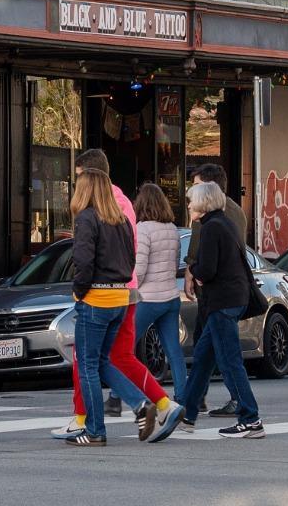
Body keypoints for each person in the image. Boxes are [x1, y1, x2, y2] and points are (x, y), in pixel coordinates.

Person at [55, 150, 176, 437]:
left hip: (97, 297)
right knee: (107, 360)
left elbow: (83, 261)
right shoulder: (122, 214)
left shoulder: (87, 217)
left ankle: (91, 426)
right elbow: (132, 258)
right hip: (122, 294)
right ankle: (143, 403)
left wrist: (79, 291)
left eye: (78, 178)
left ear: (87, 180)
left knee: (86, 364)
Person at [177, 180, 264, 438]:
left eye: (192, 200)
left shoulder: (211, 228)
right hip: (231, 298)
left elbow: (208, 270)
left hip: (222, 302)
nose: (190, 204)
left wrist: (193, 270)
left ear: (203, 203)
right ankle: (187, 415)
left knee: (229, 361)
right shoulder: (224, 223)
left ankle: (251, 418)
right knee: (203, 358)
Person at [184, 163, 247, 418]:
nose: (190, 198)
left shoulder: (211, 221)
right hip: (227, 293)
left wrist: (193, 271)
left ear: (209, 190)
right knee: (204, 352)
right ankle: (188, 407)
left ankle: (248, 412)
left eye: (197, 187)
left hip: (219, 295)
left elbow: (204, 261)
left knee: (225, 356)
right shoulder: (234, 213)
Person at [134, 182, 187, 401]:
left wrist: (129, 288)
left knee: (123, 350)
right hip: (171, 297)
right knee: (174, 351)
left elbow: (139, 269)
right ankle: (183, 397)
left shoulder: (142, 229)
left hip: (147, 299)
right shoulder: (172, 229)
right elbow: (174, 266)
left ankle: (120, 396)